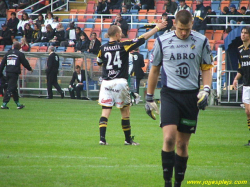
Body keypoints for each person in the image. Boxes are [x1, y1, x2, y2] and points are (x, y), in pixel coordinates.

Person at [145, 10, 213, 187]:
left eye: (187, 29)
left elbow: (206, 67)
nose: (184, 33)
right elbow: (154, 69)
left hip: (191, 96)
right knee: (169, 139)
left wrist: (206, 90)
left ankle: (178, 183)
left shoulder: (201, 41)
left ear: (192, 24)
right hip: (170, 95)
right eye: (181, 29)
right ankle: (167, 182)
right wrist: (149, 97)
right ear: (175, 23)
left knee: (182, 144)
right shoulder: (162, 41)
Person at [96, 21, 167, 145]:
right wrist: (156, 28)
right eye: (121, 33)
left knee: (105, 112)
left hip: (106, 82)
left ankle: (102, 139)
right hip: (119, 82)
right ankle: (128, 140)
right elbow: (141, 38)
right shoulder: (123, 45)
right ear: (117, 35)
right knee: (125, 112)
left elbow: (99, 62)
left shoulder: (102, 48)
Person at [0, 41, 33, 109]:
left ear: (13, 46)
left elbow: (2, 64)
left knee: (14, 89)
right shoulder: (19, 54)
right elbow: (25, 62)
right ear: (19, 47)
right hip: (14, 73)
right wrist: (30, 69)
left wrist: (0, 72)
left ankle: (18, 104)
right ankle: (4, 104)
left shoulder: (8, 53)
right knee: (10, 88)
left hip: (8, 72)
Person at [233, 27, 250, 146]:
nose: (243, 35)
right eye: (242, 32)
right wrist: (235, 79)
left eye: (245, 33)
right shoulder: (240, 50)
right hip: (246, 84)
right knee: (248, 112)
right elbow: (241, 68)